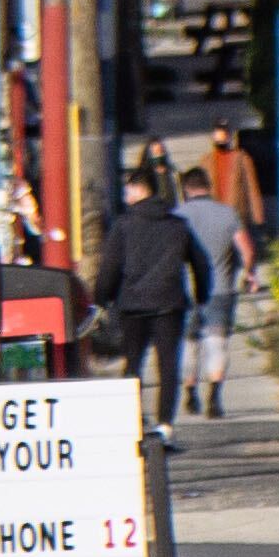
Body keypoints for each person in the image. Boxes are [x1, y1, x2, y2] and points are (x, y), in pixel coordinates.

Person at [101, 163, 211, 425]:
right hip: (169, 303)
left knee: (133, 365)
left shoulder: (123, 226)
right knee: (168, 366)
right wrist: (201, 295)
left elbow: (110, 267)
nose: (125, 194)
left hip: (132, 304)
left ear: (139, 190)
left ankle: (134, 421)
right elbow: (201, 264)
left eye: (128, 189)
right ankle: (165, 426)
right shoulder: (177, 225)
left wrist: (102, 297)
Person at [171, 161, 256, 419]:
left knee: (189, 344)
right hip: (221, 289)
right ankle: (214, 397)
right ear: (208, 187)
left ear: (186, 190)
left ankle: (190, 392)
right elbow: (247, 250)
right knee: (217, 343)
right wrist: (248, 272)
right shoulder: (228, 214)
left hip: (187, 290)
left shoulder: (178, 216)